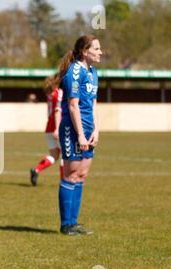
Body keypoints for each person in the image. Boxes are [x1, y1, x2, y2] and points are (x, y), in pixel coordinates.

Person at [56, 34, 101, 236]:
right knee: (71, 174)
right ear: (84, 51)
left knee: (82, 174)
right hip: (73, 130)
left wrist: (96, 130)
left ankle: (74, 222)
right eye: (96, 49)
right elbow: (73, 106)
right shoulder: (75, 71)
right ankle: (66, 224)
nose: (100, 52)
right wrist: (81, 135)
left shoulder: (93, 73)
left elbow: (92, 104)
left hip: (88, 131)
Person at [30, 75, 63, 186]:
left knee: (54, 156)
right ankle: (64, 182)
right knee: (65, 155)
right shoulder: (58, 93)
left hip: (48, 128)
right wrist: (57, 129)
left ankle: (36, 170)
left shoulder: (50, 94)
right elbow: (58, 111)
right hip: (56, 128)